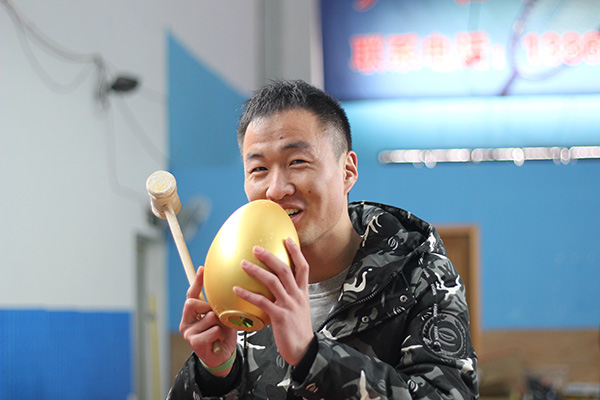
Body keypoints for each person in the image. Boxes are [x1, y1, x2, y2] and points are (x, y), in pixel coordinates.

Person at [167, 80, 478, 399]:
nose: (276, 189)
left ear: (347, 171)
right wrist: (216, 375)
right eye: (258, 169)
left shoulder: (418, 274)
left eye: (297, 162)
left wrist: (313, 357)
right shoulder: (242, 284)